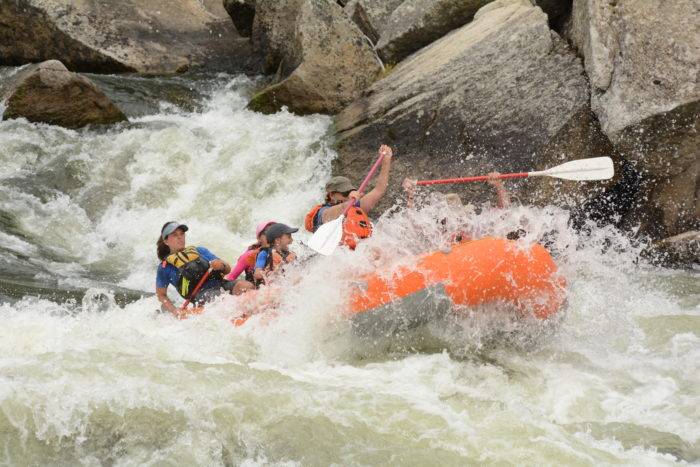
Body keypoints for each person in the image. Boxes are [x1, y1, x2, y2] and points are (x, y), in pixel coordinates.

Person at [155, 221, 253, 317]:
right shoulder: (165, 267)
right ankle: (239, 316)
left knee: (246, 286)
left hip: (222, 284)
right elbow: (161, 295)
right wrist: (175, 311)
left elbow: (227, 269)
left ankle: (251, 313)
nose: (180, 237)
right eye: (175, 235)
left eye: (182, 234)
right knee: (223, 299)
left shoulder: (200, 251)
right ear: (166, 241)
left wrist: (221, 265)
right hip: (201, 296)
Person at [304, 144, 394, 249]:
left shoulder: (355, 206)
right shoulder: (322, 213)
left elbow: (379, 190)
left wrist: (386, 161)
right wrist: (351, 198)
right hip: (334, 257)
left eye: (351, 191)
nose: (348, 196)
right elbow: (341, 209)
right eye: (345, 193)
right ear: (332, 195)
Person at [224, 220, 275, 285]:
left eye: (275, 232)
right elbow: (230, 278)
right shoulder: (248, 256)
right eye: (267, 232)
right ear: (259, 238)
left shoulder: (283, 254)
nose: (272, 236)